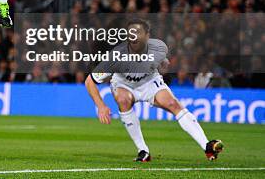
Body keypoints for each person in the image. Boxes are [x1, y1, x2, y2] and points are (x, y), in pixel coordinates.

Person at [85, 19, 223, 162]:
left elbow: (164, 62)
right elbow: (90, 81)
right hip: (123, 85)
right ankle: (143, 151)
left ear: (147, 36)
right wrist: (101, 106)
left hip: (149, 82)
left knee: (172, 104)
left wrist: (164, 64)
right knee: (122, 99)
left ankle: (207, 146)